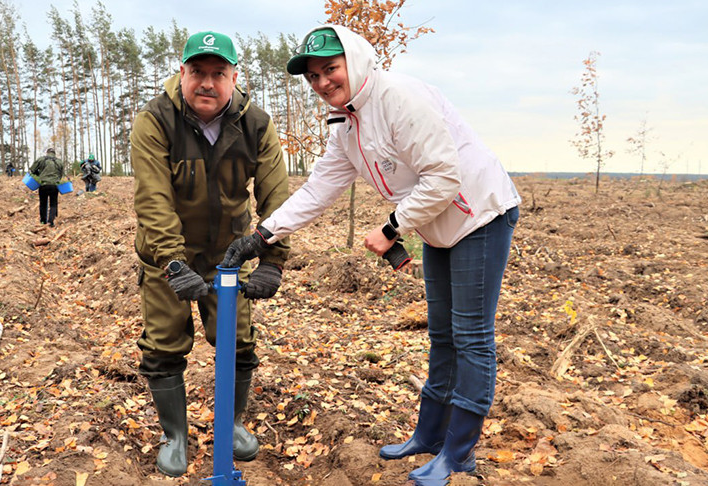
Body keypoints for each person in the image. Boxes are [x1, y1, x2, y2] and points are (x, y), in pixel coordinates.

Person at [222, 25, 521, 485]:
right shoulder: (346, 122)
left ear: (355, 62)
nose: (322, 82)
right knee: (442, 334)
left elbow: (444, 177)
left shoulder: (399, 98)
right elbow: (320, 187)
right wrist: (263, 235)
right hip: (438, 224)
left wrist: (391, 229)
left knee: (471, 337)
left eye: (330, 69)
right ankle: (429, 435)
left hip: (478, 215)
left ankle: (459, 455)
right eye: (313, 76)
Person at [129, 30, 291, 477]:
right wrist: (173, 261)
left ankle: (233, 423)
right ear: (181, 73)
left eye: (218, 73)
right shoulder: (155, 120)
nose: (206, 82)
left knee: (237, 342)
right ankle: (175, 435)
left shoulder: (255, 123)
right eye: (197, 71)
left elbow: (277, 194)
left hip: (229, 255)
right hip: (167, 257)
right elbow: (152, 198)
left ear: (234, 77)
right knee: (163, 345)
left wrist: (273, 259)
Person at [29, 148, 66, 227]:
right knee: (53, 204)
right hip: (54, 185)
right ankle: (51, 222)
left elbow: (32, 169)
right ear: (54, 153)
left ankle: (43, 221)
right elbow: (61, 174)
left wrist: (39, 174)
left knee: (43, 204)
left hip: (43, 185)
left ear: (47, 153)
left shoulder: (41, 159)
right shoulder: (59, 162)